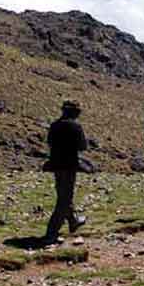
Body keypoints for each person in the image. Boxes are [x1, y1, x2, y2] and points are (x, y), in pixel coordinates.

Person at [43, 100, 88, 245]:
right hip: (69, 165)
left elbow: (49, 142)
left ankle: (73, 220)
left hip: (56, 164)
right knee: (65, 199)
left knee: (63, 193)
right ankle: (51, 232)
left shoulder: (54, 125)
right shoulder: (75, 126)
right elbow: (82, 146)